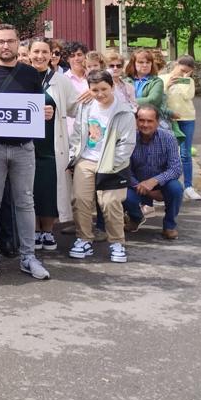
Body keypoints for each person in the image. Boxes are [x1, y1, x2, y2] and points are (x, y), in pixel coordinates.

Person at [0, 25, 54, 280]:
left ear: (18, 44)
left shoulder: (30, 74)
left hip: (23, 148)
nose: (5, 46)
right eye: (1, 42)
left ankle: (28, 256)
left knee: (25, 202)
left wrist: (47, 113)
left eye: (11, 41)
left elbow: (39, 108)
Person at [67, 70, 136, 263]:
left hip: (113, 163)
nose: (100, 94)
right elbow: (78, 133)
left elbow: (127, 143)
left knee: (110, 203)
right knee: (80, 200)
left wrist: (111, 164)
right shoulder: (86, 107)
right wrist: (74, 157)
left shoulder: (125, 111)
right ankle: (84, 239)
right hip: (86, 160)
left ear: (112, 87)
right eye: (95, 90)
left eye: (104, 89)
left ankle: (117, 242)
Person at [27, 38, 79, 251]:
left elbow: (74, 109)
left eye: (44, 52)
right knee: (29, 189)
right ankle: (33, 230)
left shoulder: (61, 81)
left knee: (49, 189)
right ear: (29, 54)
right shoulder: (21, 77)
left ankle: (47, 231)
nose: (40, 56)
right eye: (36, 52)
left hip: (51, 145)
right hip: (27, 144)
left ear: (51, 55)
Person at [123, 105, 184, 239]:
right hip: (136, 184)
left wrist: (154, 181)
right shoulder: (129, 139)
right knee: (123, 194)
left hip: (162, 184)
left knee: (176, 188)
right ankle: (136, 218)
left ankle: (169, 226)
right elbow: (125, 170)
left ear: (157, 121)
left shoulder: (168, 138)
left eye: (150, 121)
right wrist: (148, 191)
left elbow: (175, 168)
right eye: (141, 120)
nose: (145, 124)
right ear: (136, 121)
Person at [161, 55, 199, 200]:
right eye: (182, 70)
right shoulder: (163, 78)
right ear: (176, 64)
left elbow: (187, 96)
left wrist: (186, 79)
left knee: (185, 153)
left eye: (187, 72)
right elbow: (160, 96)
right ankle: (168, 185)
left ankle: (188, 187)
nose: (183, 73)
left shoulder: (189, 81)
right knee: (166, 153)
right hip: (168, 119)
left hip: (187, 118)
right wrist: (167, 85)